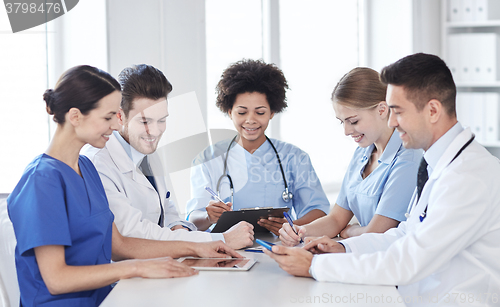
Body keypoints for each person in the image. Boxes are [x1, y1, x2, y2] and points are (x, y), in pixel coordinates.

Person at [265, 53, 500, 306]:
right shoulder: (437, 165)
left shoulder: (468, 177)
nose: (391, 121)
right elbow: (405, 235)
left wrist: (317, 266)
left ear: (432, 110)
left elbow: (410, 260)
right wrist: (343, 249)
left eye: (397, 111)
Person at [7, 65, 241, 307]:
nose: (117, 126)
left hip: (105, 298)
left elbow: (119, 244)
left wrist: (198, 247)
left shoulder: (85, 168)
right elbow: (56, 279)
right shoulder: (41, 181)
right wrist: (138, 267)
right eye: (108, 117)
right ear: (75, 116)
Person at [83, 64, 253, 249]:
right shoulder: (97, 163)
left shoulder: (146, 152)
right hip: (122, 270)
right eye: (145, 121)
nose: (155, 131)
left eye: (162, 120)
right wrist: (221, 240)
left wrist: (178, 227)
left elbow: (165, 210)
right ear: (120, 117)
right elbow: (130, 232)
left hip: (158, 263)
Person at [279, 67, 421, 246]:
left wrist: (351, 231)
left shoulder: (408, 159)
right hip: (360, 257)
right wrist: (300, 231)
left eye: (353, 121)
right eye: (342, 122)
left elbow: (376, 232)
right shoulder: (362, 153)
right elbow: (336, 220)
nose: (346, 131)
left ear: (382, 110)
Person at [186, 59, 329, 235]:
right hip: (224, 251)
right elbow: (192, 220)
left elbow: (318, 211)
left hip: (280, 248)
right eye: (242, 112)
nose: (251, 120)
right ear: (229, 112)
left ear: (272, 112)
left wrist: (291, 227)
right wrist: (209, 217)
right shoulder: (207, 159)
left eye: (260, 112)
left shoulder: (295, 158)